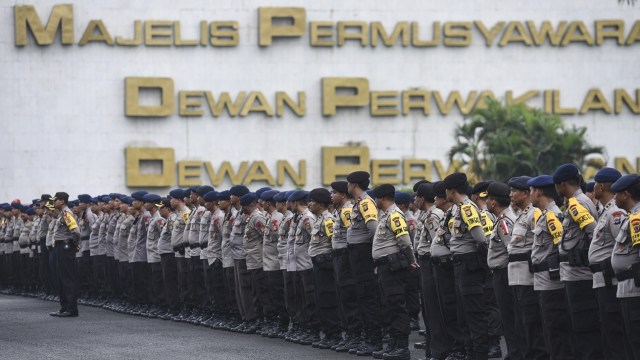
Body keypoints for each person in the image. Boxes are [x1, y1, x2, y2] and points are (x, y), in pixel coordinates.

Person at [553, 163, 604, 360]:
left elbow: (593, 231)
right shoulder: (577, 201)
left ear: (563, 184)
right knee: (579, 329)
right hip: (576, 274)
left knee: (584, 330)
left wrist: (587, 256)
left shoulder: (577, 204)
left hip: (579, 276)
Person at [528, 175, 575, 360]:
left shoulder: (553, 216)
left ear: (538, 192)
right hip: (543, 282)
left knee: (556, 332)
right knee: (549, 331)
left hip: (552, 284)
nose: (530, 194)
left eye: (531, 191)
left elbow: (560, 247)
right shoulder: (546, 215)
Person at [443, 172, 488, 360]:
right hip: (460, 265)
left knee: (474, 315)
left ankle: (479, 355)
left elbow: (480, 238)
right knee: (463, 316)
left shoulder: (467, 209)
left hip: (469, 265)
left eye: (446, 189)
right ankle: (470, 353)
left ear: (452, 190)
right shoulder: (457, 209)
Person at [371, 184, 418, 360]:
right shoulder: (387, 216)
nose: (375, 201)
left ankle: (402, 347)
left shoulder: (395, 216)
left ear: (382, 198)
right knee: (389, 306)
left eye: (376, 198)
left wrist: (411, 260)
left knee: (397, 305)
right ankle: (393, 343)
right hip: (385, 267)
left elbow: (405, 241)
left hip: (393, 267)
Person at [588, 168, 631, 360]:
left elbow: (619, 245)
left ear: (603, 186)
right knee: (607, 331)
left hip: (610, 281)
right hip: (601, 280)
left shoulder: (615, 213)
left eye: (596, 183)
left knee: (615, 332)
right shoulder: (605, 211)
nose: (594, 187)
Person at [507, 176, 548, 360]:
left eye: (514, 191)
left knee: (532, 323)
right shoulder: (522, 214)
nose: (510, 194)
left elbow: (541, 244)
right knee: (521, 323)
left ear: (525, 193)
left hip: (528, 277)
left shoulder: (535, 213)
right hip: (516, 277)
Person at [346, 171, 383, 356]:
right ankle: (369, 337)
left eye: (348, 183)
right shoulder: (359, 203)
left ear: (353, 184)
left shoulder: (366, 202)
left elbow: (374, 229)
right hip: (357, 254)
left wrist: (370, 252)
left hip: (363, 254)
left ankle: (374, 340)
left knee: (368, 297)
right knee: (362, 296)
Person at [485, 181, 523, 360]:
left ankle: (516, 353)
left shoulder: (504, 222)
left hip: (505, 274)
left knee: (509, 316)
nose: (485, 203)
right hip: (503, 273)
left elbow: (511, 251)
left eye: (487, 200)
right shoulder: (504, 219)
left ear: (493, 203)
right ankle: (514, 352)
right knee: (509, 316)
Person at [307, 188, 342, 349]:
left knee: (328, 300)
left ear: (321, 204)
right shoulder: (320, 218)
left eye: (312, 201)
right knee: (321, 299)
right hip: (319, 264)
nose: (309, 204)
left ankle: (334, 334)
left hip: (326, 265)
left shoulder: (328, 220)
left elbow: (333, 243)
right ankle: (328, 333)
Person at [330, 181, 362, 352]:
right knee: (343, 296)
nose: (331, 195)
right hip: (339, 256)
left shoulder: (347, 211)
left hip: (345, 256)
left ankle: (355, 335)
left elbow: (351, 234)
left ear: (343, 195)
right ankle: (349, 333)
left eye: (334, 192)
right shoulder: (341, 211)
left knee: (349, 296)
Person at [611, 174, 640, 359]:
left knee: (637, 343)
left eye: (617, 194)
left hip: (634, 291)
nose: (614, 198)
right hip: (626, 289)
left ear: (626, 194)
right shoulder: (631, 217)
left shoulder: (637, 219)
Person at [49, 192, 81, 317]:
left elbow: (76, 231)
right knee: (61, 278)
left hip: (65, 247)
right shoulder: (62, 214)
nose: (53, 202)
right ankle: (64, 307)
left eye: (55, 200)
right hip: (60, 247)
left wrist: (75, 244)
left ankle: (71, 309)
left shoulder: (67, 213)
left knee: (68, 278)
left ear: (62, 201)